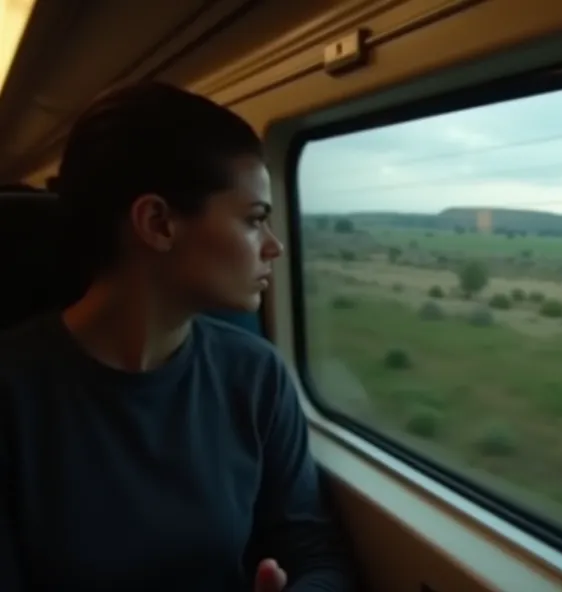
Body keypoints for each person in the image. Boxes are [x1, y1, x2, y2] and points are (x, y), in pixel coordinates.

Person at [0, 82, 352, 591]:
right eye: (254, 221)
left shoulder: (255, 375)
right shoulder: (13, 396)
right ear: (158, 223)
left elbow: (314, 550)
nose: (273, 247)